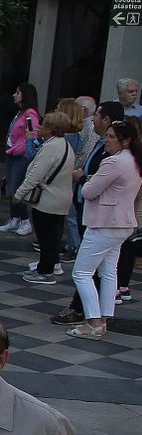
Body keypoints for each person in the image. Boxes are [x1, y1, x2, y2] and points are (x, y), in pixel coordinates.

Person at [68, 119, 142, 339]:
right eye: (107, 135)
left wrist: (84, 179)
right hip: (122, 223)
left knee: (82, 273)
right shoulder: (134, 160)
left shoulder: (114, 162)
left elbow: (89, 191)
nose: (106, 140)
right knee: (108, 272)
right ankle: (103, 320)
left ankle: (93, 322)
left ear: (125, 141)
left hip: (105, 223)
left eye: (112, 137)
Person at [16, 111, 77, 285]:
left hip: (49, 200)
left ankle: (45, 271)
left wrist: (19, 194)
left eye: (43, 125)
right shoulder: (65, 145)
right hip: (61, 198)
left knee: (46, 237)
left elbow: (36, 174)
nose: (40, 128)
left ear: (50, 129)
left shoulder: (51, 147)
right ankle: (50, 265)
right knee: (53, 235)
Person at [0, 84, 41, 236]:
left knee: (16, 188)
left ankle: (25, 221)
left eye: (17, 92)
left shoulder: (30, 114)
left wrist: (20, 148)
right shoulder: (20, 113)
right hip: (11, 153)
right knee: (11, 185)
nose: (14, 95)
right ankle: (14, 218)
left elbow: (32, 135)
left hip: (20, 156)